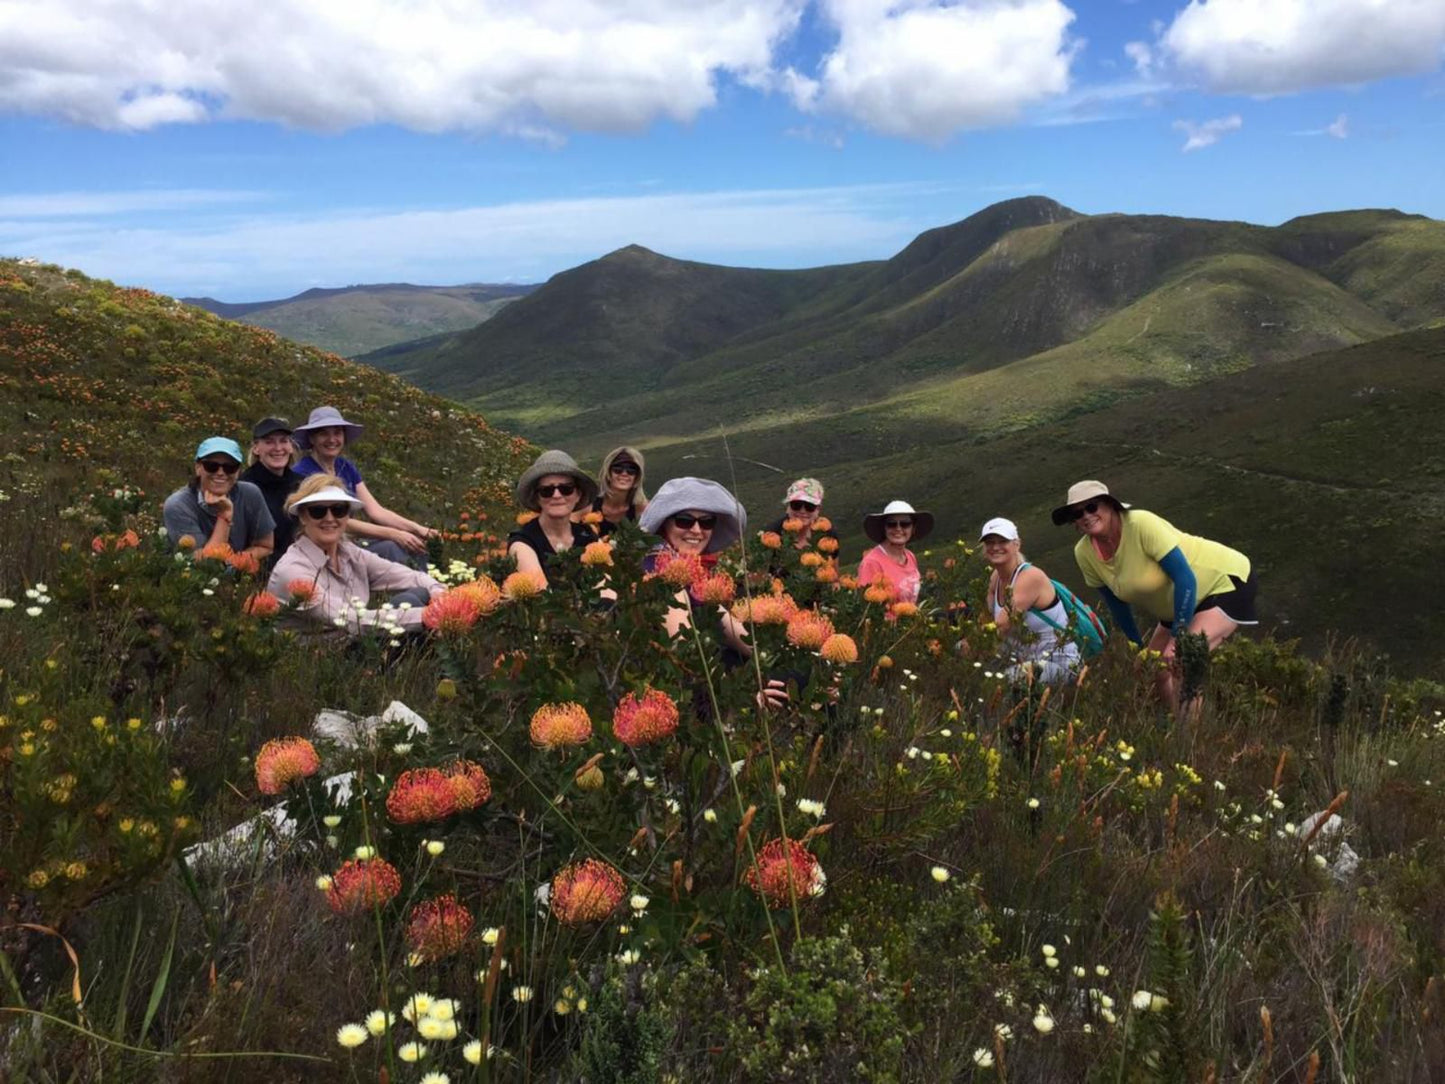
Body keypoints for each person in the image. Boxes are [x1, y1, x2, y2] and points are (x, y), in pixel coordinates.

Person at [1053, 480, 1256, 708]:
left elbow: (1185, 579)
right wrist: (1137, 646)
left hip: (1223, 582)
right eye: (1078, 513)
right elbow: (1116, 603)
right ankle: (1173, 725)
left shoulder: (1141, 524)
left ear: (1110, 506)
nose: (1086, 516)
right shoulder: (1084, 553)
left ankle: (1188, 738)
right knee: (1150, 668)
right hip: (1179, 604)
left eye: (1092, 507)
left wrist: (1178, 635)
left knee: (1182, 659)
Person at [639, 479, 786, 707]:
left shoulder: (690, 569)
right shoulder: (659, 568)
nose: (696, 530)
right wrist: (743, 695)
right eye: (684, 520)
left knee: (792, 677)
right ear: (664, 524)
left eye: (706, 522)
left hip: (706, 676)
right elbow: (684, 649)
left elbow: (731, 628)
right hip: (685, 689)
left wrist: (793, 661)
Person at [266, 475, 444, 636]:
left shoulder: (350, 552)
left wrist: (439, 593)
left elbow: (411, 576)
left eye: (339, 510)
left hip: (354, 641)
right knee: (410, 604)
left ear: (347, 517)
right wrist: (427, 616)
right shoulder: (293, 573)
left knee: (420, 594)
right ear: (303, 517)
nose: (329, 518)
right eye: (318, 511)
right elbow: (352, 620)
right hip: (322, 657)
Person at [292, 406, 436, 565]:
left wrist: (418, 529)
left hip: (349, 542)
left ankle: (430, 588)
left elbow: (376, 511)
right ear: (312, 439)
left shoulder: (345, 466)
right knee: (392, 547)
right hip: (324, 546)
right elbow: (337, 521)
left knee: (417, 545)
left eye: (337, 433)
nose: (332, 439)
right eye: (324, 433)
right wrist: (394, 534)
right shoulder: (303, 473)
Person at [979, 517, 1080, 685]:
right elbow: (986, 620)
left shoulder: (1030, 577)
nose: (995, 547)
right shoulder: (995, 578)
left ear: (1016, 544)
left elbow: (999, 627)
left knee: (1004, 681)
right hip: (1020, 658)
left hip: (1058, 663)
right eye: (990, 542)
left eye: (1003, 541)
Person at [163, 437, 275, 563]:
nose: (221, 473)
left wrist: (235, 563)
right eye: (211, 466)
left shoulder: (250, 493)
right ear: (198, 468)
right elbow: (206, 565)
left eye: (229, 467)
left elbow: (265, 546)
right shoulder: (178, 506)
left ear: (238, 472)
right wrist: (224, 516)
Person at [508, 450, 600, 583]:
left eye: (566, 489)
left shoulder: (588, 535)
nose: (557, 495)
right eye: (547, 491)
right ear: (537, 498)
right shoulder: (522, 543)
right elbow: (542, 596)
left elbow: (607, 590)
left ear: (578, 495)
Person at [241, 417, 303, 566]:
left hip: (302, 562)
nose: (278, 448)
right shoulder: (245, 486)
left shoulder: (301, 483)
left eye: (283, 441)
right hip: (261, 568)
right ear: (256, 448)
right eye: (269, 442)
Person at [857, 500, 932, 605]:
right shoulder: (872, 563)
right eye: (891, 524)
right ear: (884, 528)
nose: (898, 529)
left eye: (905, 524)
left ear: (913, 528)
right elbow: (866, 606)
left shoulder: (910, 556)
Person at [764, 477, 841, 558]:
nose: (802, 511)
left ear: (818, 509)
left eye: (809, 506)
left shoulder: (828, 534)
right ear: (788, 507)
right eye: (796, 505)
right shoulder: (772, 533)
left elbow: (832, 568)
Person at [587, 447, 648, 537]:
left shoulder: (642, 509)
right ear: (608, 473)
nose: (624, 474)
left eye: (631, 470)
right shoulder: (589, 504)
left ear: (637, 476)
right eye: (618, 469)